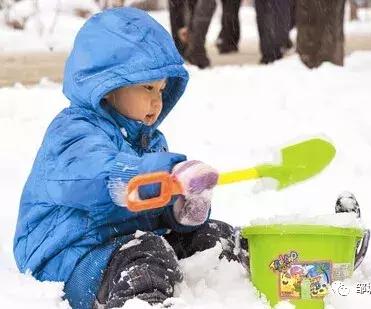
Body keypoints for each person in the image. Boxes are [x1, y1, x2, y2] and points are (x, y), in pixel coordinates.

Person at [13, 7, 244, 309]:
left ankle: (272, 275)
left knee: (215, 237)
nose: (157, 101)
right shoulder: (73, 132)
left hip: (125, 242)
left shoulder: (149, 141)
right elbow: (99, 177)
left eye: (162, 89)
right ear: (107, 86)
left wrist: (181, 208)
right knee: (147, 257)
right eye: (147, 87)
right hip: (69, 256)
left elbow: (150, 209)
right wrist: (159, 174)